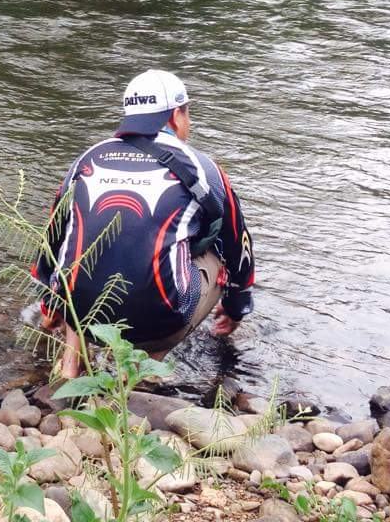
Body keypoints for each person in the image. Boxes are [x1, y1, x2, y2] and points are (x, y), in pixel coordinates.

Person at [32, 69, 255, 377]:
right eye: (188, 114)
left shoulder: (88, 158)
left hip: (83, 316)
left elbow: (51, 241)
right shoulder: (203, 168)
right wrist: (236, 308)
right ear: (176, 115)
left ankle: (71, 365)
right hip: (156, 328)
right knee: (218, 254)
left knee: (81, 248)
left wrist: (50, 305)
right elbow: (240, 249)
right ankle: (142, 371)